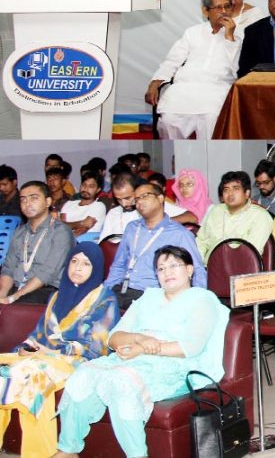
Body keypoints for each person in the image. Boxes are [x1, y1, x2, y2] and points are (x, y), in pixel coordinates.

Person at [55, 245, 229, 458]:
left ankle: (137, 455)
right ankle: (68, 449)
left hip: (176, 365)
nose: (167, 272)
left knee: (122, 382)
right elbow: (113, 338)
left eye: (174, 266)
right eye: (161, 268)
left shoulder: (203, 299)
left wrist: (142, 349)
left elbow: (191, 347)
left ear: (190, 270)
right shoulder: (148, 298)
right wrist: (139, 339)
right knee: (83, 374)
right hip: (132, 359)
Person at [0, 242, 118, 458]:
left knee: (34, 377)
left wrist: (51, 351)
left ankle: (40, 453)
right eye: (74, 261)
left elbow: (95, 348)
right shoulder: (56, 296)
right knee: (4, 373)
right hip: (44, 357)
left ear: (97, 269)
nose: (78, 268)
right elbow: (38, 335)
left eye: (85, 264)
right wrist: (27, 348)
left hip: (81, 363)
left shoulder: (105, 299)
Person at [145, 0, 243, 139]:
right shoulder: (192, 33)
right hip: (184, 89)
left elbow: (237, 69)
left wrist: (230, 37)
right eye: (218, 8)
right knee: (169, 120)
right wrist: (155, 82)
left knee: (212, 119)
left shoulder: (239, 35)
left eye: (227, 6)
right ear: (206, 11)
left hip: (216, 90)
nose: (224, 12)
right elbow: (172, 61)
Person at [105, 182, 206, 309]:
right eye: (136, 199)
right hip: (121, 289)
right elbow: (119, 264)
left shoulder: (179, 234)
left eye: (144, 196)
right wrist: (106, 291)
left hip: (152, 295)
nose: (139, 202)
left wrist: (198, 303)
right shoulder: (132, 228)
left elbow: (197, 269)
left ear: (160, 198)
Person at [0, 181, 74, 305]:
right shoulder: (20, 232)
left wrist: (13, 297)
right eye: (23, 200)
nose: (27, 204)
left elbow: (48, 273)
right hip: (17, 286)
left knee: (19, 306)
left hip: (46, 289)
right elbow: (9, 267)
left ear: (48, 202)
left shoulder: (60, 232)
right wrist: (2, 294)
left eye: (34, 198)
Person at [195, 171, 273, 261]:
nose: (230, 194)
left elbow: (250, 254)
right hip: (208, 269)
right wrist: (198, 268)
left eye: (235, 189)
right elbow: (201, 243)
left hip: (241, 270)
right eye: (226, 190)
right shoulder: (216, 211)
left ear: (247, 193)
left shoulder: (260, 216)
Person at [98, 175, 192, 241]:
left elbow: (191, 217)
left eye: (127, 198)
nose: (124, 204)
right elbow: (104, 243)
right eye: (118, 199)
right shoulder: (113, 213)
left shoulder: (154, 205)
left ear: (137, 191)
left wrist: (160, 222)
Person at [59, 171, 107, 240]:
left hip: (83, 244)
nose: (86, 188)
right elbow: (60, 227)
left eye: (91, 186)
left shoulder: (99, 206)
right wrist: (81, 223)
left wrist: (68, 227)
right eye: (84, 185)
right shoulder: (69, 204)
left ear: (98, 190)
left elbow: (82, 230)